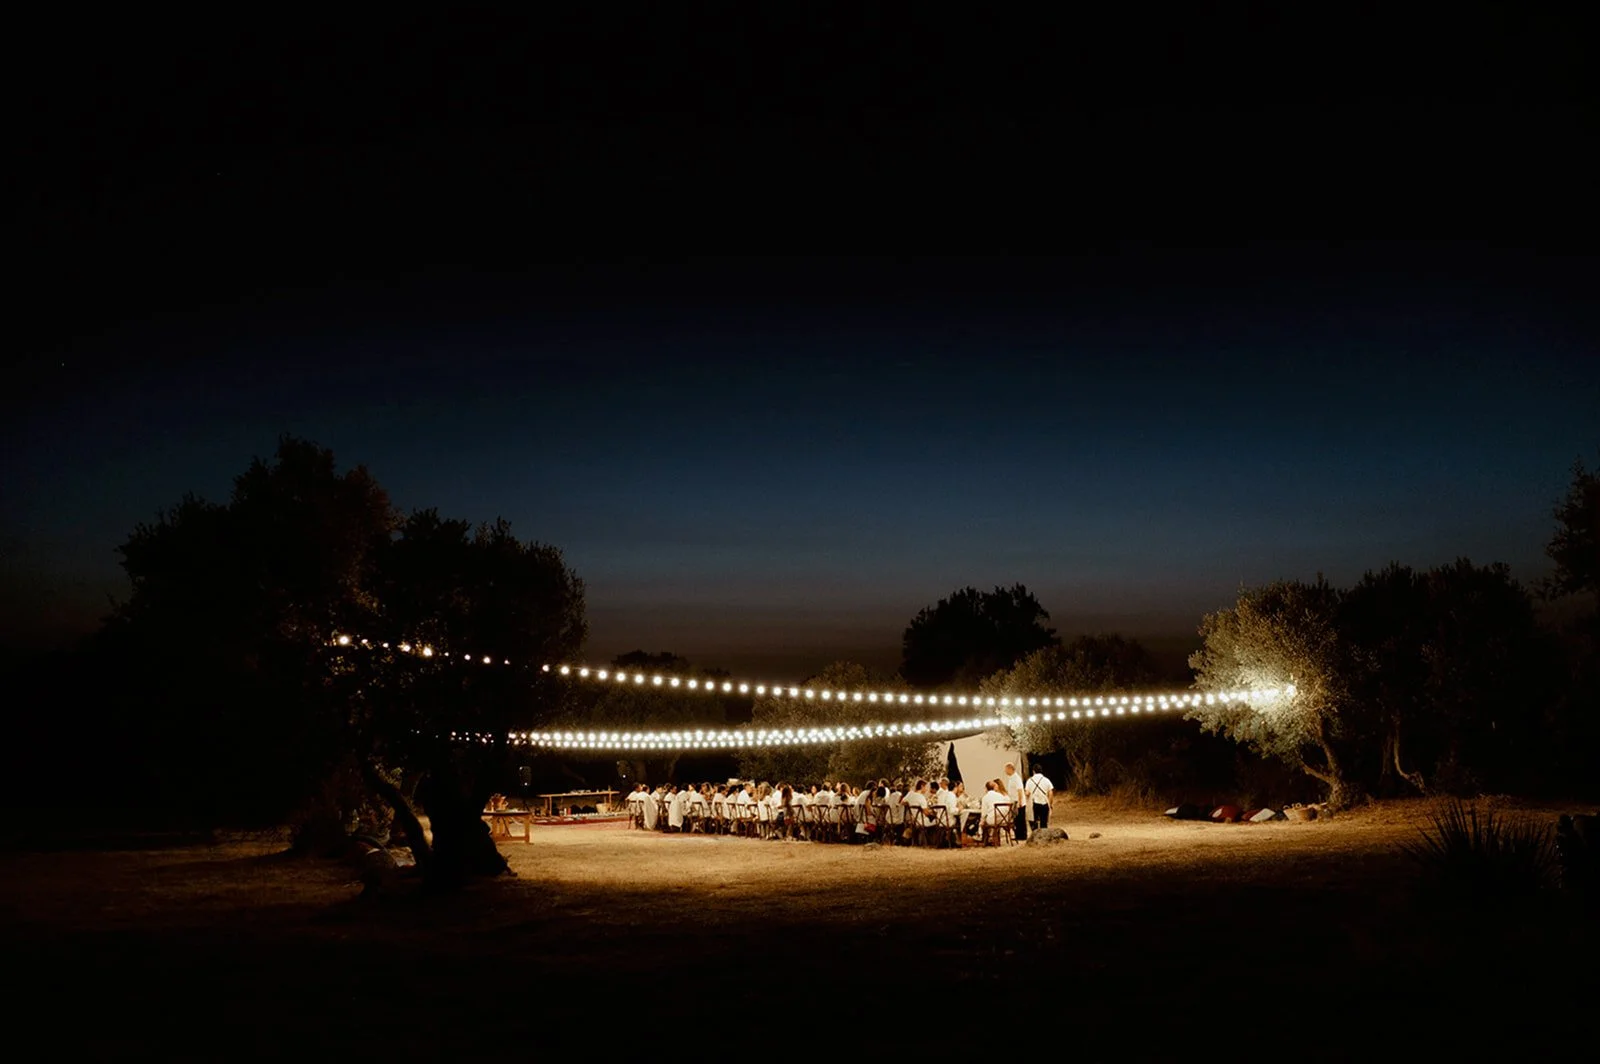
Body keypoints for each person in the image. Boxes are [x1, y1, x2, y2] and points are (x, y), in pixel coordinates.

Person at [1024, 765, 1055, 829]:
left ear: (1033, 771)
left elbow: (1027, 793)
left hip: (1034, 803)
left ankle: (1035, 833)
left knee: (1034, 822)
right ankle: (1043, 833)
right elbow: (1050, 793)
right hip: (1044, 803)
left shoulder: (1029, 781)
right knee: (1044, 822)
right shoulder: (1046, 780)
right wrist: (1050, 803)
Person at [1003, 762, 1028, 841]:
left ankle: (1023, 835)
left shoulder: (1016, 778)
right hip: (1014, 801)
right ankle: (1018, 834)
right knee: (1016, 819)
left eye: (1006, 769)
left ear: (1010, 769)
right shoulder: (1011, 778)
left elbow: (1019, 790)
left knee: (1021, 819)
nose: (1005, 771)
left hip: (1018, 802)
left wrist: (1020, 801)